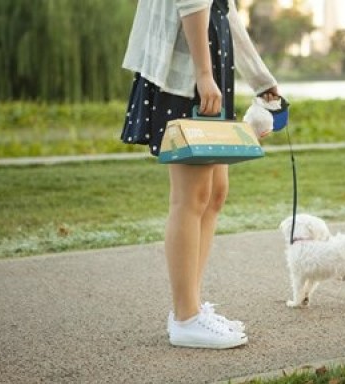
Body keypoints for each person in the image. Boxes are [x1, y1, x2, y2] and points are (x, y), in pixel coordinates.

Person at [120, 0, 279, 349]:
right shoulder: (198, 72)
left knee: (215, 192)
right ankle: (186, 317)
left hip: (208, 67)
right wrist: (204, 75)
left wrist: (260, 80)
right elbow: (192, 4)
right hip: (189, 73)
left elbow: (224, 11)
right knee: (190, 196)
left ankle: (192, 305)